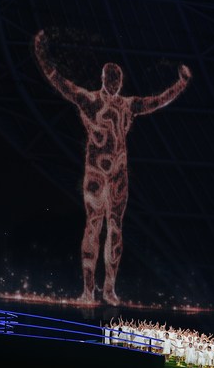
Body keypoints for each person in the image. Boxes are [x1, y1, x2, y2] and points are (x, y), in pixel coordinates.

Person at [34, 29, 192, 305]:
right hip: (97, 172)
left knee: (115, 228)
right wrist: (41, 52)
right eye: (111, 79)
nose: (115, 83)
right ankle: (88, 290)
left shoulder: (127, 106)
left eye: (117, 80)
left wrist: (181, 84)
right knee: (94, 225)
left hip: (118, 172)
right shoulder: (89, 100)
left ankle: (109, 290)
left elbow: (157, 101)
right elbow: (58, 80)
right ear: (103, 79)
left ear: (120, 82)